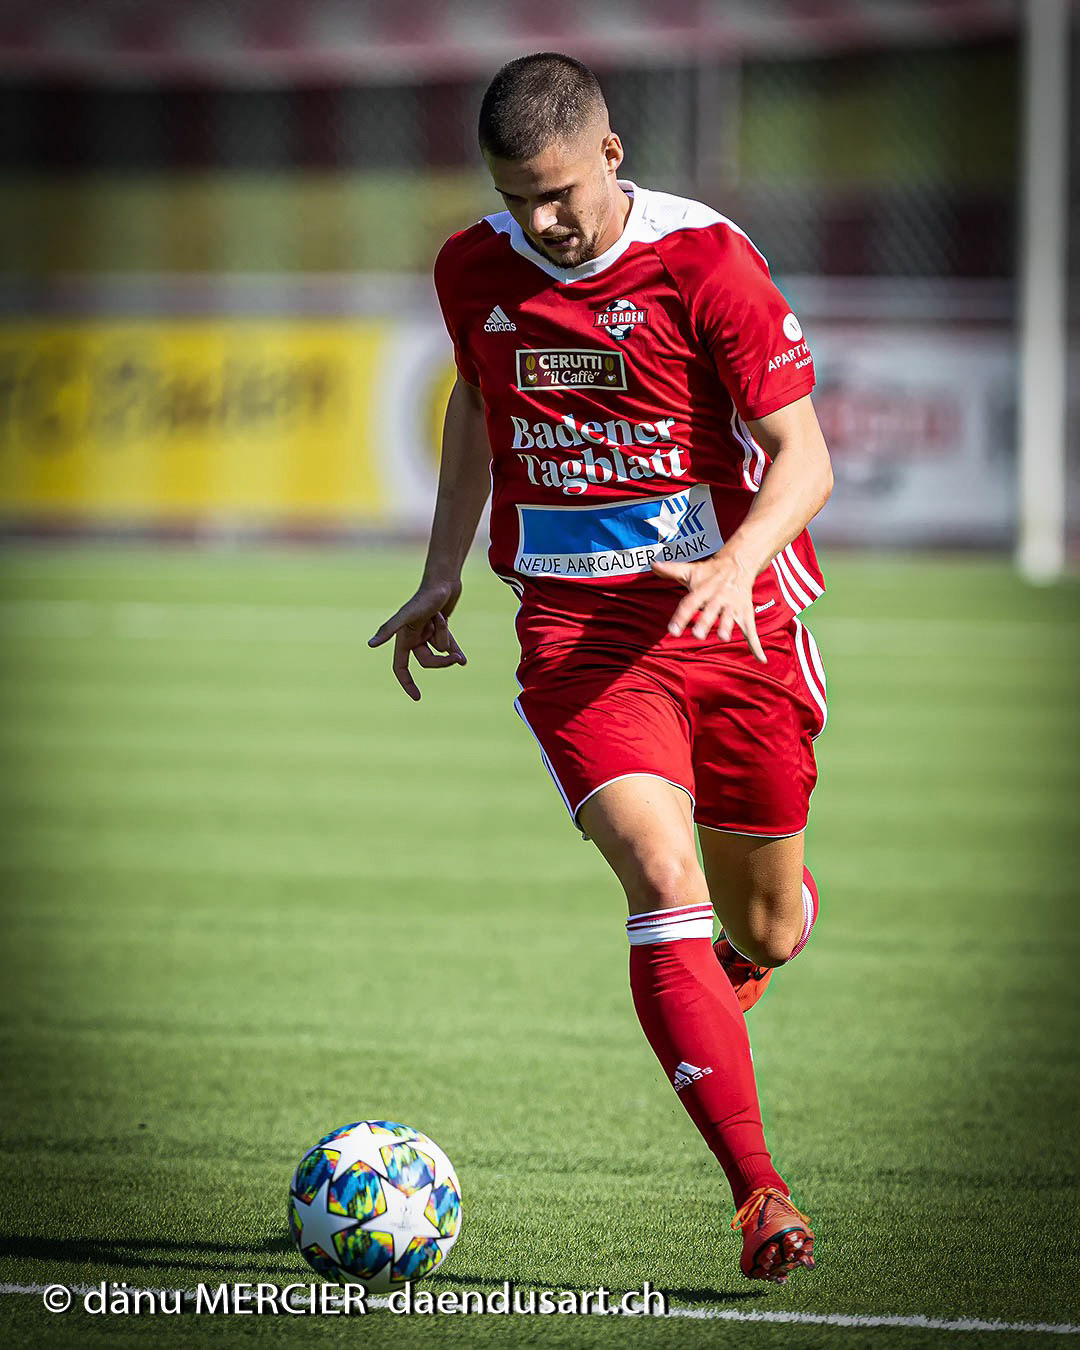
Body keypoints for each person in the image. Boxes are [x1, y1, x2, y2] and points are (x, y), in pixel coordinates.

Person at [370, 52, 832, 1286]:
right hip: (580, 642)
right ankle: (758, 1194)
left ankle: (747, 951)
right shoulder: (472, 270)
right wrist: (442, 569)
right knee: (660, 879)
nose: (542, 222)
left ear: (612, 155)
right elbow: (478, 402)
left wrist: (735, 563)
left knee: (768, 922)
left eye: (561, 192)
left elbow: (804, 459)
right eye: (516, 198)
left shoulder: (706, 262)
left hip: (735, 627)